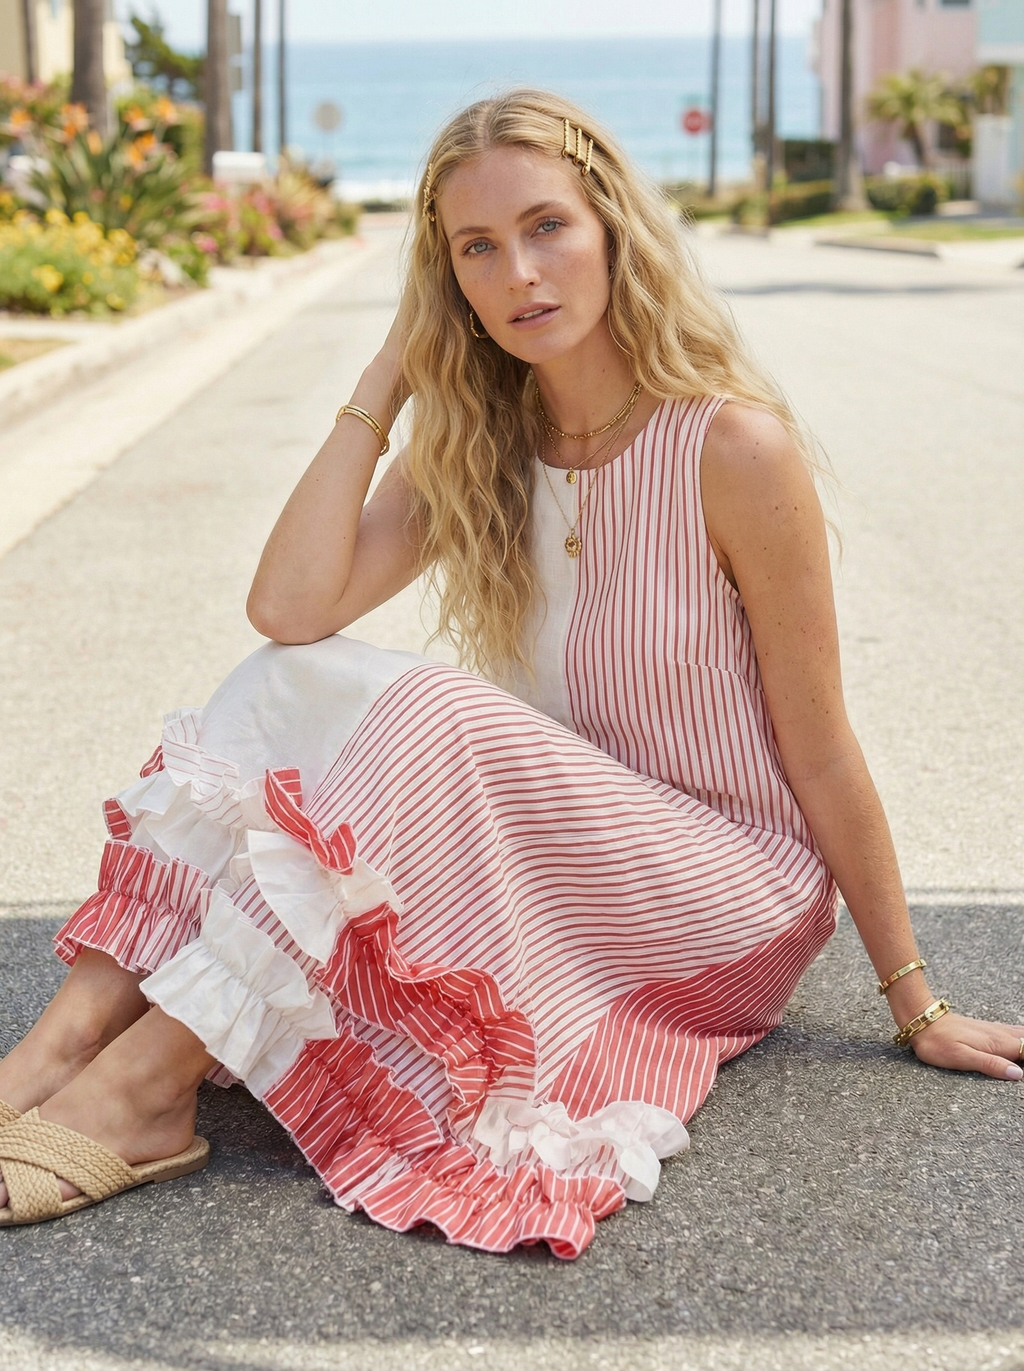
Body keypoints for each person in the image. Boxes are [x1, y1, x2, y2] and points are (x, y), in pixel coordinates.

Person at [1, 90, 1021, 1257]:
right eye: (475, 249)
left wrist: (916, 1001)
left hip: (723, 892)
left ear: (613, 233)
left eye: (547, 228)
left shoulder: (731, 447)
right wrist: (389, 374)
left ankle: (147, 1085)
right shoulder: (482, 445)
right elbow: (288, 610)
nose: (519, 274)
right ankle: (60, 1046)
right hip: (561, 859)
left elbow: (821, 741)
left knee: (430, 708)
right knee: (293, 677)